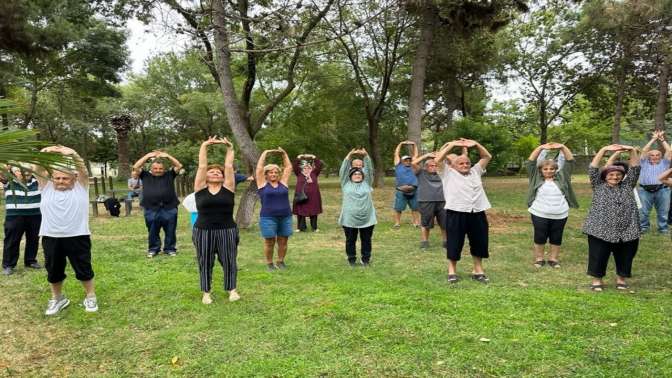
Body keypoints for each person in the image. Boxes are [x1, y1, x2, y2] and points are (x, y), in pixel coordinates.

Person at [34, 145, 97, 315]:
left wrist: (73, 154)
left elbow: (83, 170)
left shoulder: (81, 187)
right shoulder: (45, 187)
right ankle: (58, 299)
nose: (61, 181)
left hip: (78, 235)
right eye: (57, 178)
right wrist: (43, 153)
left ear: (74, 179)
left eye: (65, 178)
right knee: (53, 270)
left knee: (83, 268)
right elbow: (37, 169)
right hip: (50, 236)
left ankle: (90, 296)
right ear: (52, 178)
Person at [583, 144, 640, 291]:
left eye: (618, 175)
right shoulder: (598, 185)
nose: (615, 177)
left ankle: (621, 279)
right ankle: (597, 280)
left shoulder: (628, 185)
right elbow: (593, 168)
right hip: (600, 229)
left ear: (622, 176)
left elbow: (635, 169)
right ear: (605, 176)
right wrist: (603, 150)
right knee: (598, 255)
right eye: (611, 175)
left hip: (627, 229)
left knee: (626, 255)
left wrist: (632, 150)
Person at [435, 139, 492, 284]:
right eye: (461, 163)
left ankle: (478, 270)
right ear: (452, 165)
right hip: (456, 213)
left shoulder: (475, 171)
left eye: (467, 163)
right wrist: (452, 145)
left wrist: (477, 144)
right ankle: (452, 271)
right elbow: (438, 159)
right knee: (455, 242)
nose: (465, 165)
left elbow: (487, 157)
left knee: (479, 241)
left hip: (477, 212)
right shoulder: (447, 173)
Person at [191, 137, 240, 304]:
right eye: (212, 172)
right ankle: (206, 292)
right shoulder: (200, 188)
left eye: (218, 172)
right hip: (203, 230)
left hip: (227, 230)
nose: (215, 173)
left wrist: (230, 148)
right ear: (205, 177)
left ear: (223, 177)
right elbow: (202, 166)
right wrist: (204, 145)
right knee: (205, 261)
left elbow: (228, 166)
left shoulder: (228, 188)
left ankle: (232, 289)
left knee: (229, 260)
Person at [526, 143, 579, 268]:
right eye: (545, 169)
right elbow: (530, 162)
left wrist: (562, 147)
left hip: (560, 213)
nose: (549, 171)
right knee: (540, 236)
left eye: (551, 169)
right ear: (541, 170)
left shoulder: (562, 177)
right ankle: (539, 258)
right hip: (539, 213)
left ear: (556, 169)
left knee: (556, 236)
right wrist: (541, 148)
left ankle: (553, 259)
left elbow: (570, 161)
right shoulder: (536, 177)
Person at [133, 150, 183, 258]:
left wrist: (168, 156)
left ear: (164, 169)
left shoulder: (170, 175)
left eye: (160, 169)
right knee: (152, 230)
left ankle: (170, 249)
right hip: (151, 208)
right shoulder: (145, 175)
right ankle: (153, 249)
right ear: (151, 169)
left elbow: (179, 165)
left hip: (169, 207)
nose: (158, 170)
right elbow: (136, 167)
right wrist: (148, 155)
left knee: (170, 230)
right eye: (155, 168)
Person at [255, 147, 293, 271]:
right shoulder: (262, 184)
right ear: (266, 175)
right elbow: (259, 169)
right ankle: (270, 263)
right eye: (271, 172)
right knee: (269, 241)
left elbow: (288, 168)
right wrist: (264, 153)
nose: (274, 174)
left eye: (276, 172)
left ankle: (281, 261)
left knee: (283, 241)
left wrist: (284, 154)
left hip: (285, 216)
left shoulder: (283, 184)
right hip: (268, 217)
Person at [338, 149, 376, 267]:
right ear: (350, 175)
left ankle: (365, 260)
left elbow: (369, 170)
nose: (357, 175)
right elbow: (343, 170)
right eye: (355, 173)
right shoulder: (345, 183)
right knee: (350, 240)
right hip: (350, 219)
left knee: (366, 240)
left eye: (359, 173)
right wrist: (349, 155)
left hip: (367, 219)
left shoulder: (367, 183)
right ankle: (351, 260)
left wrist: (366, 156)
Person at [1, 166, 42, 275]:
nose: (25, 172)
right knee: (12, 240)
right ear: (14, 173)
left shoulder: (37, 181)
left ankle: (30, 261)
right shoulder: (9, 181)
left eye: (28, 170)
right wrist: (6, 166)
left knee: (33, 239)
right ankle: (8, 265)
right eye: (20, 170)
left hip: (35, 215)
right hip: (14, 216)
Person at [411, 152, 448, 250]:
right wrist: (426, 156)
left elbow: (451, 163)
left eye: (435, 165)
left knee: (444, 223)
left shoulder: (442, 173)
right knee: (426, 222)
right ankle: (424, 242)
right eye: (431, 165)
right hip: (426, 201)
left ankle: (446, 242)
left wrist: (441, 155)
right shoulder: (421, 172)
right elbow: (413, 163)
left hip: (442, 201)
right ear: (426, 167)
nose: (434, 167)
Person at [638, 130, 671, 234]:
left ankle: (663, 229)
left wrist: (662, 139)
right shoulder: (643, 163)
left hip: (662, 190)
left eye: (657, 155)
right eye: (652, 155)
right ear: (649, 156)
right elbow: (644, 150)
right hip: (645, 190)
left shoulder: (665, 163)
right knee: (643, 211)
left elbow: (669, 151)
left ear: (661, 156)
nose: (655, 156)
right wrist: (653, 139)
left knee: (663, 212)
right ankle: (644, 228)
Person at [292, 154, 323, 232]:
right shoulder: (299, 174)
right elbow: (295, 166)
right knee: (300, 212)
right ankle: (301, 227)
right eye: (305, 168)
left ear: (311, 168)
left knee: (314, 211)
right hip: (301, 196)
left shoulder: (314, 174)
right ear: (302, 169)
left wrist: (314, 157)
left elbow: (319, 165)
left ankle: (314, 227)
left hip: (313, 197)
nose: (307, 169)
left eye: (308, 167)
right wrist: (298, 158)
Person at [392, 141, 420, 228]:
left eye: (409, 160)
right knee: (398, 208)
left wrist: (414, 145)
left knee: (415, 208)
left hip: (414, 190)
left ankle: (416, 223)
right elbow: (396, 154)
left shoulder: (413, 165)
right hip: (401, 190)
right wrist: (401, 144)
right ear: (401, 161)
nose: (408, 161)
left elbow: (416, 155)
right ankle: (397, 223)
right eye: (406, 160)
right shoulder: (398, 165)